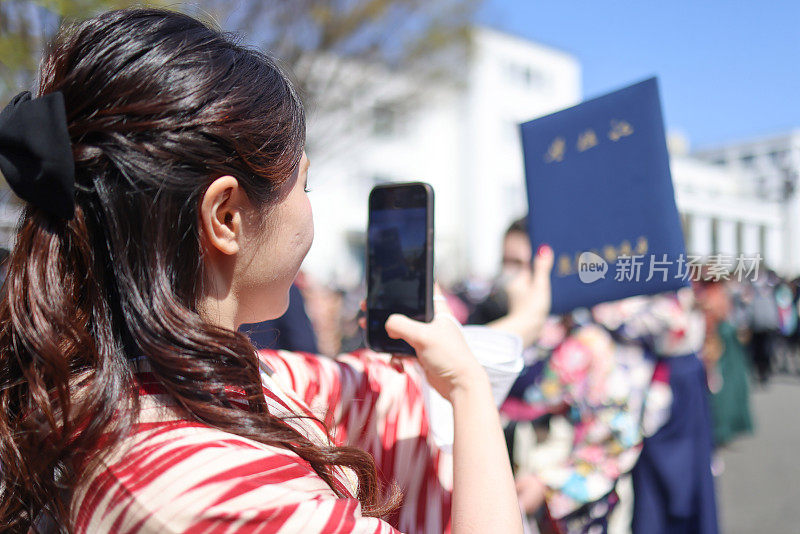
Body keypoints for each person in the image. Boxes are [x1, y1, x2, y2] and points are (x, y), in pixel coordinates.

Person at [0, 9, 555, 533]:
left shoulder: (116, 388)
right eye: (303, 183)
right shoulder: (207, 494)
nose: (309, 205)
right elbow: (405, 388)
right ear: (226, 216)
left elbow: (374, 385)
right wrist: (471, 392)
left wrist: (519, 322)